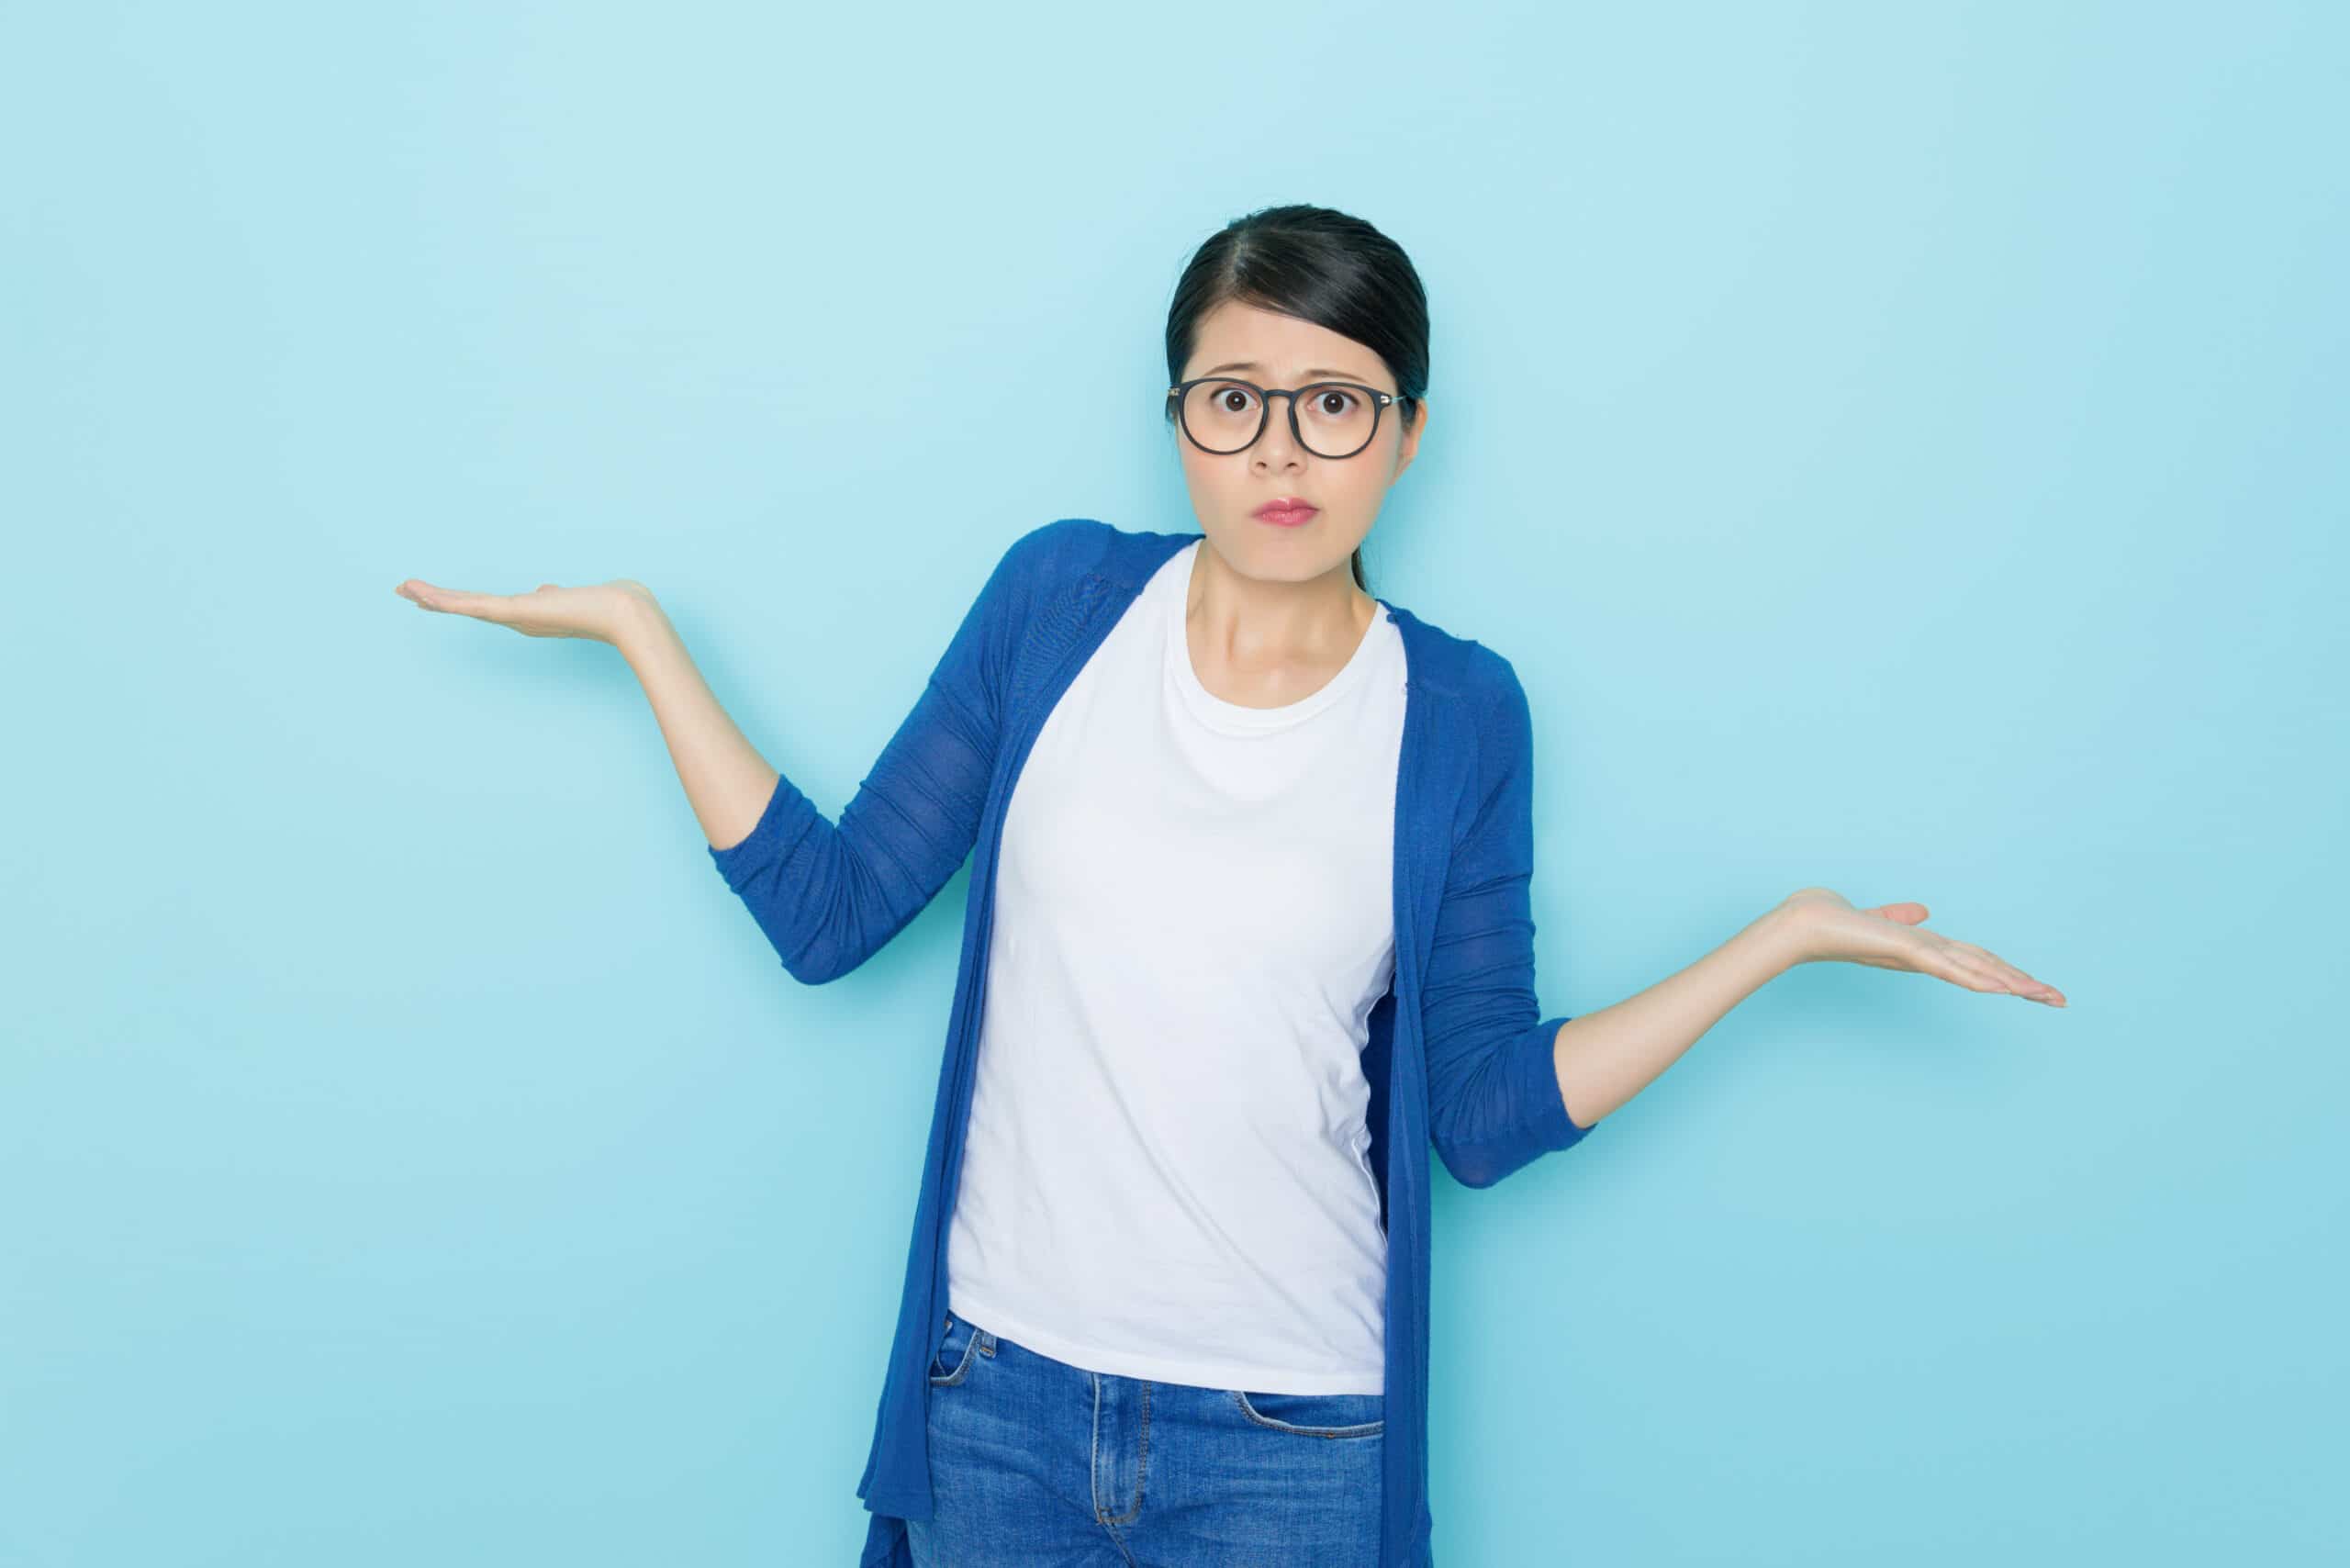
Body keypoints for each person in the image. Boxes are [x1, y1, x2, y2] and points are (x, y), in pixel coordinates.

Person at [396, 203, 2065, 1568]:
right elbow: (835, 918)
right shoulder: (1057, 606)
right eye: (1234, 395)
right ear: (1179, 421)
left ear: (1407, 435)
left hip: (1291, 1438)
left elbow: (1477, 1116)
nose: (1284, 447)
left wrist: (1774, 943)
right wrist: (640, 636)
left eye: (1336, 399)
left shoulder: (1459, 712)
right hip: (995, 1398)